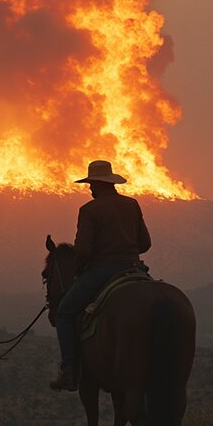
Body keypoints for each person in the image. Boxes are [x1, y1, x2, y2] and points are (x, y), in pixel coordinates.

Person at [51, 160, 151, 392]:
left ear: (97, 184)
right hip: (134, 268)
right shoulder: (132, 204)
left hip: (102, 270)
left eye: (91, 184)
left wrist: (79, 269)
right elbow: (145, 243)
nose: (89, 189)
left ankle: (70, 370)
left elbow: (83, 250)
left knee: (64, 313)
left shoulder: (89, 210)